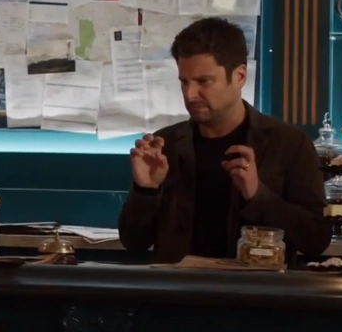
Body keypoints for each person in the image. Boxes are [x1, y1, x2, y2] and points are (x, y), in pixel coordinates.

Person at [118, 17, 329, 263]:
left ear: (239, 76)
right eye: (184, 82)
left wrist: (257, 195)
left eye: (203, 81)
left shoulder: (289, 144)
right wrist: (146, 191)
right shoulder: (165, 145)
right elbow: (133, 241)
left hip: (253, 287)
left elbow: (316, 240)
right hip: (178, 286)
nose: (190, 94)